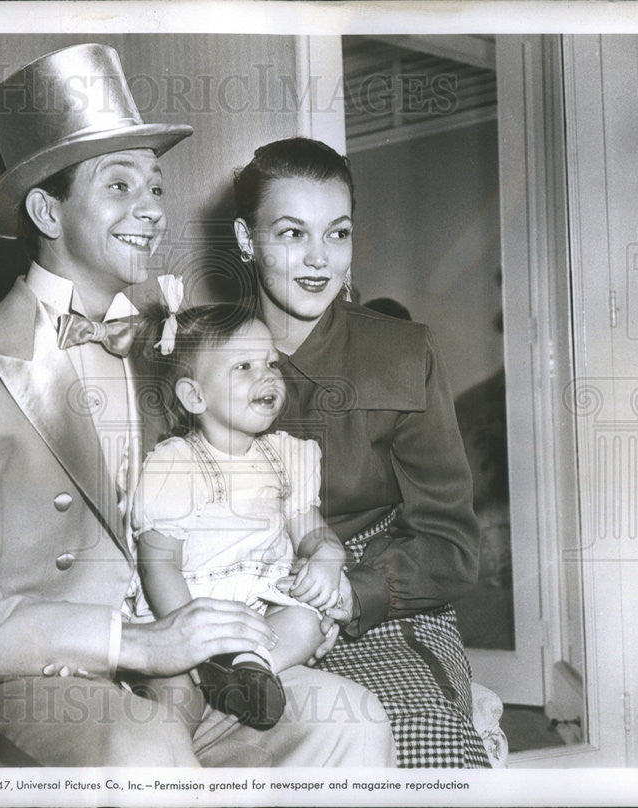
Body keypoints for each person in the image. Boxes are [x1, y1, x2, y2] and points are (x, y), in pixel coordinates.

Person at [0, 46, 392, 768]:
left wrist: (293, 596)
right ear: (48, 210)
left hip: (187, 677)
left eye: (156, 187)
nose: (150, 210)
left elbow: (249, 504)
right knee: (143, 745)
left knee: (351, 720)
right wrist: (140, 643)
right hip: (24, 684)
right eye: (120, 186)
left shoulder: (181, 357)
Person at [232, 136, 490, 768]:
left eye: (338, 233)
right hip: (236, 615)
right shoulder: (192, 352)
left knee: (424, 751)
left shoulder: (403, 354)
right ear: (246, 240)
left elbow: (451, 544)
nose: (319, 259)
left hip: (375, 602)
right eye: (291, 234)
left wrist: (351, 594)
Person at [127, 302, 391, 755]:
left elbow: (313, 532)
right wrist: (189, 635)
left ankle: (250, 670)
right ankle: (207, 687)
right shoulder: (175, 465)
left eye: (270, 362)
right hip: (189, 609)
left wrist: (328, 558)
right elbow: (159, 566)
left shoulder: (284, 457)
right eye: (244, 367)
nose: (267, 376)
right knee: (171, 702)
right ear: (195, 397)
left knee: (307, 619)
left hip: (257, 612)